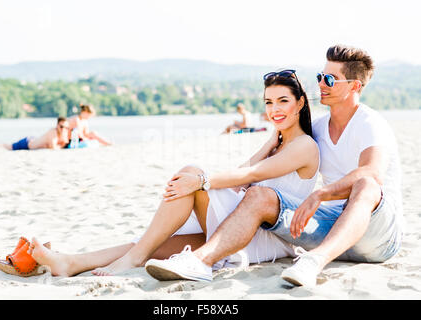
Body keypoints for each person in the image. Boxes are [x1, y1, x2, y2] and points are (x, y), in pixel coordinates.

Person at [144, 44, 404, 288]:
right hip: (332, 228)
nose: (321, 84)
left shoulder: (370, 123)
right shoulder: (318, 130)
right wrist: (272, 140)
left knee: (367, 186)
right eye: (320, 76)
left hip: (377, 236)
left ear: (355, 86)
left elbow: (372, 172)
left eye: (330, 79)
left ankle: (313, 262)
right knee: (259, 195)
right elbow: (274, 150)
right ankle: (200, 261)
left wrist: (321, 194)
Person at [25, 70, 320, 278]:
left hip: (265, 237)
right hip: (242, 224)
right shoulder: (278, 142)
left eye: (283, 101)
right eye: (269, 102)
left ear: (300, 103)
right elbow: (246, 171)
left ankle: (133, 259)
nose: (274, 109)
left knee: (191, 174)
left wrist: (202, 182)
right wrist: (270, 140)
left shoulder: (304, 146)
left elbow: (250, 175)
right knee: (152, 245)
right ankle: (70, 263)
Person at [0, 117, 70, 150]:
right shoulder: (53, 132)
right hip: (27, 143)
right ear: (57, 125)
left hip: (32, 140)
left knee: (9, 147)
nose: (63, 129)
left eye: (66, 127)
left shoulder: (60, 134)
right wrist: (62, 146)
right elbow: (53, 148)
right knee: (8, 147)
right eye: (61, 127)